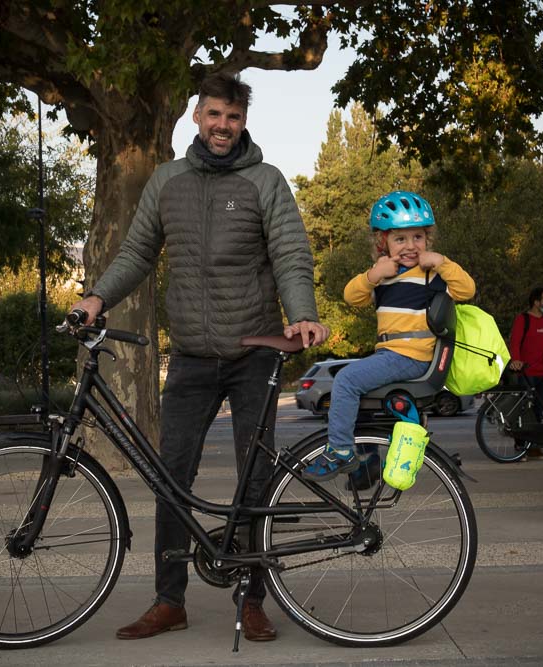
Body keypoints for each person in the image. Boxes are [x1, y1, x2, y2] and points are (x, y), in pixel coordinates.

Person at [68, 73, 329, 643]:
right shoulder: (167, 180)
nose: (223, 126)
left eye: (233, 118)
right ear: (197, 116)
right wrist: (97, 296)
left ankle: (253, 598)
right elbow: (137, 250)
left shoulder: (265, 180)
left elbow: (290, 252)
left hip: (253, 351)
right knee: (170, 477)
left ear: (243, 122)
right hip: (189, 356)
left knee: (255, 476)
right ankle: (169, 601)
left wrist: (301, 311)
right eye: (215, 114)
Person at [302, 191, 475, 481]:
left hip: (412, 356)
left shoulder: (430, 274)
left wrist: (442, 262)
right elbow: (351, 297)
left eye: (417, 238)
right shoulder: (383, 275)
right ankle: (366, 464)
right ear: (383, 242)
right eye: (400, 239)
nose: (410, 246)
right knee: (359, 397)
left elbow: (467, 290)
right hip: (391, 356)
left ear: (427, 240)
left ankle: (341, 451)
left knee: (345, 380)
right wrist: (373, 275)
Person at [508, 287, 543, 460]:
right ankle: (521, 446)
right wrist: (516, 360)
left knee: (539, 411)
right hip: (527, 373)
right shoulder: (523, 319)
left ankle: (534, 447)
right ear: (536, 302)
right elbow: (515, 342)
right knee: (524, 411)